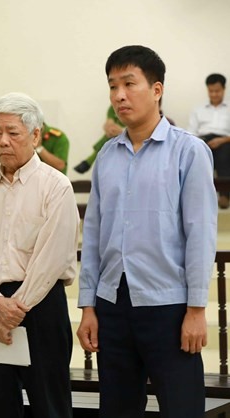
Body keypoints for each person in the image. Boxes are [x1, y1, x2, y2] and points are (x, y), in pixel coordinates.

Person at [77, 45, 217, 418]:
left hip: (168, 306)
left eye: (128, 83)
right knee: (118, 409)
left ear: (156, 90)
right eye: (112, 86)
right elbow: (93, 235)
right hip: (112, 304)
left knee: (181, 407)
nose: (119, 95)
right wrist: (88, 305)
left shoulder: (189, 152)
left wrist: (196, 309)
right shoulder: (107, 156)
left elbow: (201, 233)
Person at [0, 92, 80, 418]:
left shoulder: (56, 186)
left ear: (36, 135)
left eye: (13, 132)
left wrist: (14, 309)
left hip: (40, 306)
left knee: (49, 404)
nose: (3, 141)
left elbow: (51, 259)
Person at [188, 73, 230, 209]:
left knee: (224, 153)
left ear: (224, 89)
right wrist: (201, 143)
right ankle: (201, 196)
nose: (214, 94)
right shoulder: (198, 110)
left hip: (225, 141)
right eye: (211, 91)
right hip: (203, 140)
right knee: (199, 154)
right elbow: (191, 133)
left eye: (217, 91)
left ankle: (224, 195)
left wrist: (222, 140)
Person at [73, 105, 124, 173]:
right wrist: (110, 127)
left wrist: (123, 132)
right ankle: (89, 162)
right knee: (109, 137)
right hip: (114, 139)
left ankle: (89, 161)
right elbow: (109, 121)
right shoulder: (114, 106)